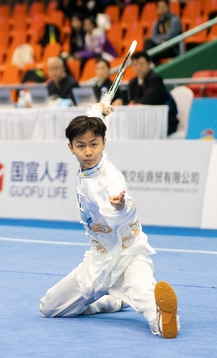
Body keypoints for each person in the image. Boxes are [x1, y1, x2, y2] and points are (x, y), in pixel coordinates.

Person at [39, 112, 179, 339]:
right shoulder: (88, 159)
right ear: (71, 147)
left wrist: (120, 205)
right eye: (81, 146)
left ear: (104, 142)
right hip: (98, 261)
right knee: (49, 307)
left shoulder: (109, 178)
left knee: (148, 302)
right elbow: (92, 117)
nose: (88, 151)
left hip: (129, 255)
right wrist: (100, 108)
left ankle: (164, 320)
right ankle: (111, 302)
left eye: (94, 144)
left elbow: (127, 207)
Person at [114, 51, 178, 135]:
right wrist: (121, 100)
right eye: (135, 64)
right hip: (143, 122)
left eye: (141, 64)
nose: (138, 67)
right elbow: (128, 98)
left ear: (149, 64)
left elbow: (148, 99)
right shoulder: (133, 82)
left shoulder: (156, 79)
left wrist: (134, 102)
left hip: (163, 121)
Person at [144, 0, 182, 64]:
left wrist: (160, 40)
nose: (161, 9)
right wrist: (161, 42)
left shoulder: (175, 20)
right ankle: (149, 63)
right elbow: (152, 37)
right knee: (148, 42)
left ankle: (148, 63)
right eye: (159, 7)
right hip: (161, 46)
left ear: (168, 7)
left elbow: (170, 35)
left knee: (151, 54)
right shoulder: (157, 22)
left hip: (172, 48)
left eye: (163, 6)